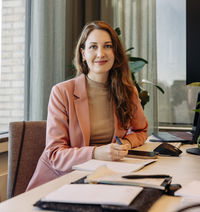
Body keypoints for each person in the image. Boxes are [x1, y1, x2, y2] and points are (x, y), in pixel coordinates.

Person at [27, 20, 148, 190]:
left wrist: (126, 143)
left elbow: (141, 130)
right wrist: (95, 153)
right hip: (61, 181)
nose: (101, 54)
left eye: (107, 46)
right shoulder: (62, 92)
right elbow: (55, 154)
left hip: (103, 178)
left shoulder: (128, 92)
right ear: (83, 53)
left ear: (115, 52)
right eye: (93, 47)